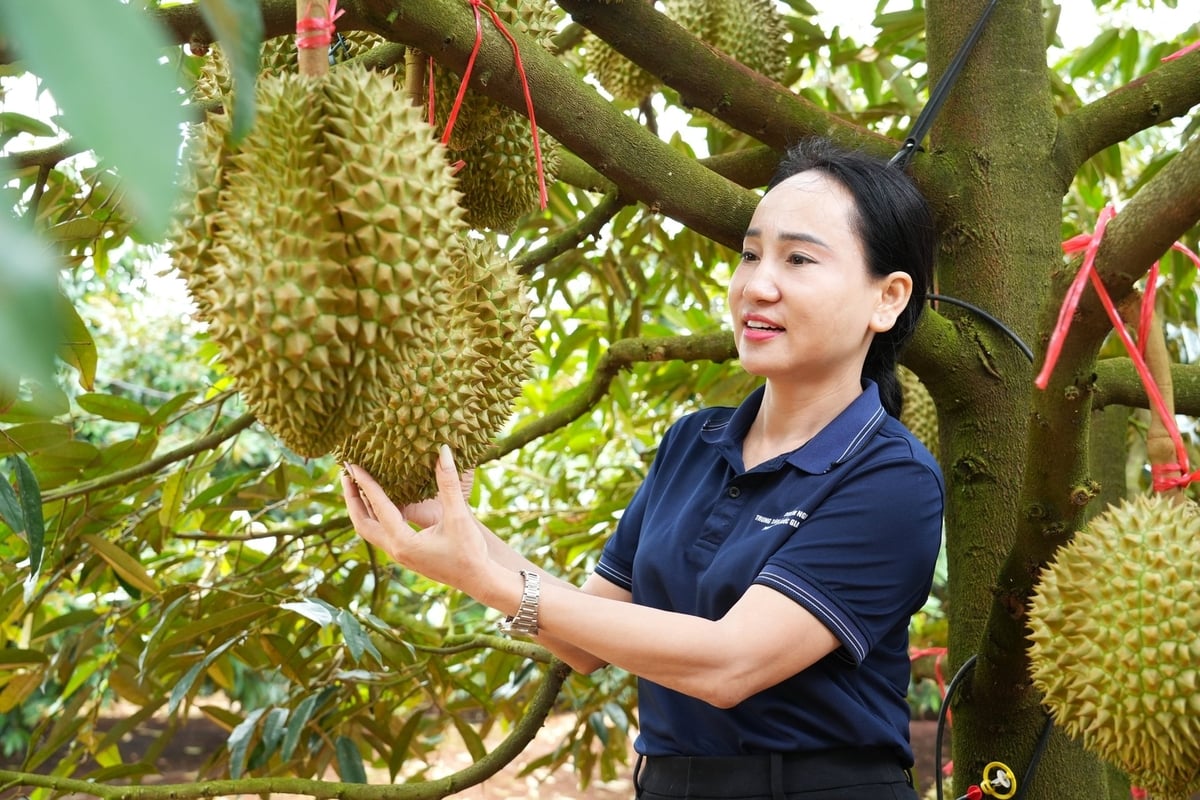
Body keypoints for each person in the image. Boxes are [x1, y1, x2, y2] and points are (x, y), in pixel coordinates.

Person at [341, 136, 944, 800]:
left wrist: (490, 582)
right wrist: (460, 533)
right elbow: (585, 635)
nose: (756, 285)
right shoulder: (695, 441)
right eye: (749, 254)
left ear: (886, 299)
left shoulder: (892, 478)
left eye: (798, 258)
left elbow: (730, 663)